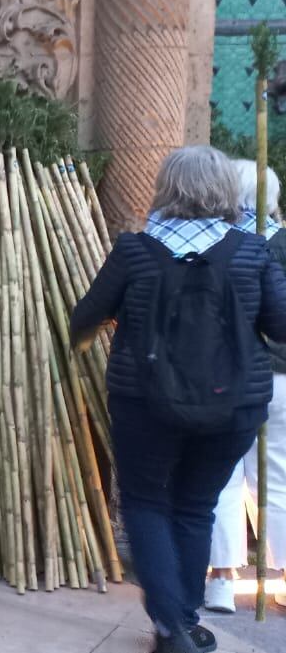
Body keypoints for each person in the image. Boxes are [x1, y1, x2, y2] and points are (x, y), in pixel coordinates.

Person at [72, 146, 286, 653]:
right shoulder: (252, 251)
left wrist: (122, 321)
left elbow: (83, 319)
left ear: (167, 188)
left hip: (145, 402)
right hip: (232, 406)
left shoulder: (133, 251)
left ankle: (170, 625)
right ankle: (185, 621)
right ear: (224, 192)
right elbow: (280, 327)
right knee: (196, 505)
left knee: (147, 502)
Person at [205, 159, 286, 613]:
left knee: (223, 475)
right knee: (277, 474)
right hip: (281, 376)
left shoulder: (218, 244)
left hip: (227, 373)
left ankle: (221, 578)